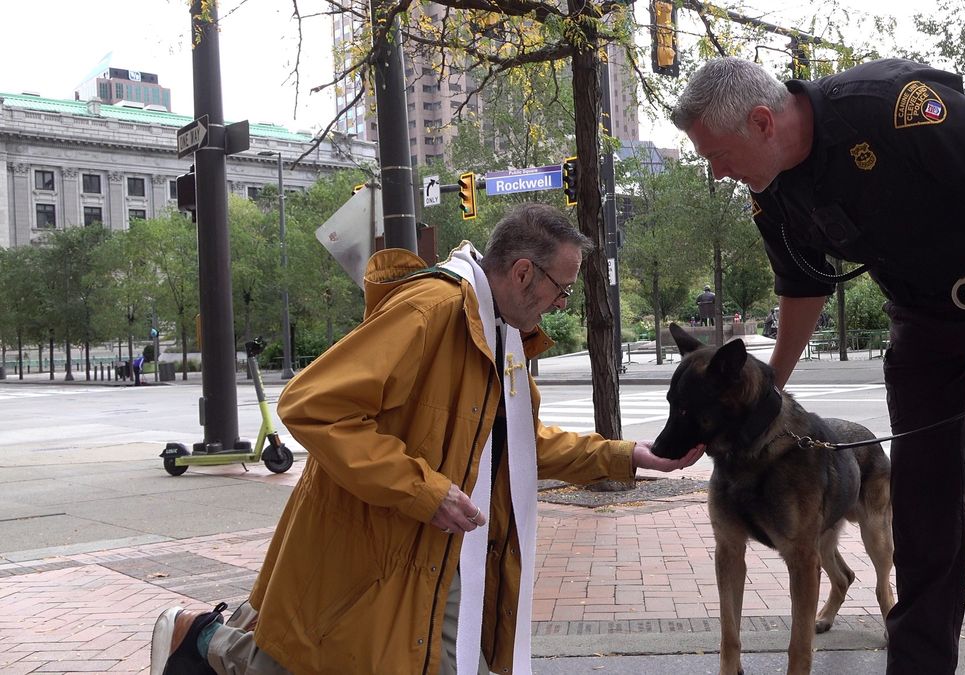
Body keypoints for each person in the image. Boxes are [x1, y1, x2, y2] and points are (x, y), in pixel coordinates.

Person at [672, 57, 965, 674]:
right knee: (923, 515)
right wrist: (762, 402)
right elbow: (802, 287)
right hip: (923, 327)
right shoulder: (771, 197)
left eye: (717, 154)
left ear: (763, 121)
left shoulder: (892, 108)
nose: (716, 171)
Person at [149, 203, 703, 675]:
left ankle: (217, 638)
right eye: (561, 287)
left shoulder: (502, 335)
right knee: (290, 662)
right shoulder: (432, 310)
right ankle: (203, 636)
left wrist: (629, 456)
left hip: (442, 556)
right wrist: (424, 491)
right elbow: (311, 404)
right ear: (523, 273)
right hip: (371, 550)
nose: (562, 303)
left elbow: (518, 445)